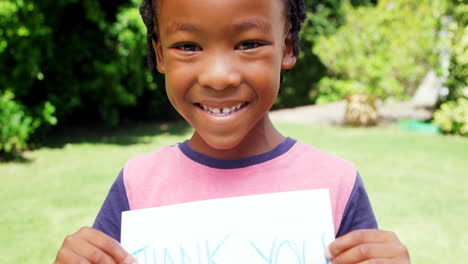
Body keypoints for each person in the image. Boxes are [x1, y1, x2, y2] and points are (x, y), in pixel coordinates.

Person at [54, 0, 410, 263]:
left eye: (249, 44)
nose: (219, 76)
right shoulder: (136, 185)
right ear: (159, 54)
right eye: (188, 46)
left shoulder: (336, 185)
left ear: (287, 46)